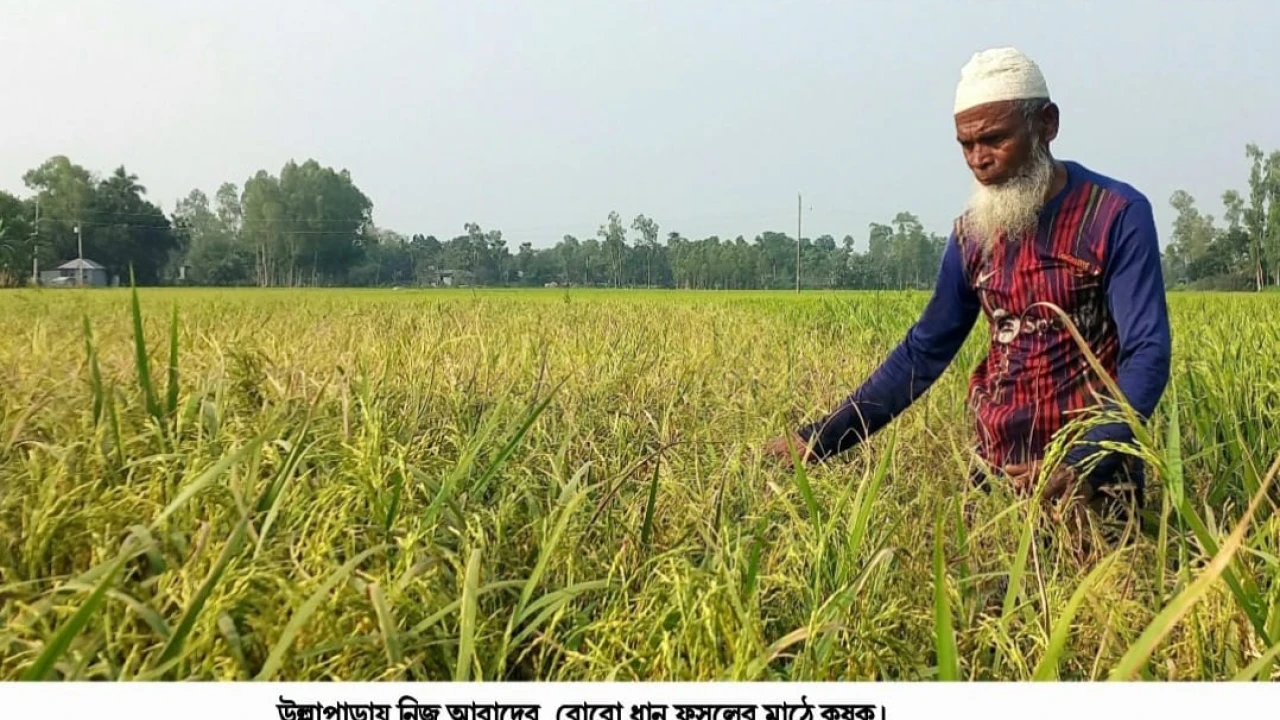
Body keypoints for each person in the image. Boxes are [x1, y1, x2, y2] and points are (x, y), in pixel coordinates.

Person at [764, 47, 1171, 553]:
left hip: (1090, 482)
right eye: (967, 145)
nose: (980, 159)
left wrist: (1085, 459)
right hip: (995, 476)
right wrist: (823, 436)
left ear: (1046, 123)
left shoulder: (1115, 215)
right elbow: (923, 351)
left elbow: (1147, 353)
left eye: (995, 139)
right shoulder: (972, 235)